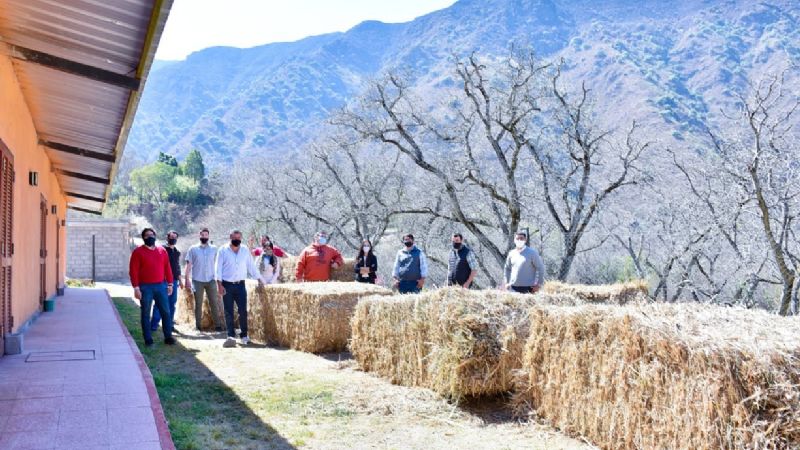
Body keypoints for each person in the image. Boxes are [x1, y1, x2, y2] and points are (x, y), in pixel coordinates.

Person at [215, 230, 265, 347]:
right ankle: (230, 335)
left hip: (241, 284)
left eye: (239, 238)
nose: (237, 240)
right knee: (228, 311)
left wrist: (259, 278)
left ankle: (244, 335)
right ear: (230, 237)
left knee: (243, 310)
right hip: (227, 284)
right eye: (235, 237)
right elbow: (218, 268)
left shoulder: (244, 250)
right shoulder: (222, 250)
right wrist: (219, 284)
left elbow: (251, 266)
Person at [129, 228, 176, 347]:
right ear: (143, 238)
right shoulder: (138, 252)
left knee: (166, 312)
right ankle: (148, 339)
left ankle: (168, 337)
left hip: (161, 286)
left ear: (155, 236)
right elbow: (133, 271)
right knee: (145, 313)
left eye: (152, 235)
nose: (150, 237)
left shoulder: (162, 251)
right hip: (145, 287)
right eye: (147, 235)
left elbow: (167, 268)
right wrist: (136, 288)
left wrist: (170, 284)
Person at [184, 228, 223, 331]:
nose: (204, 237)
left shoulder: (214, 249)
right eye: (203, 235)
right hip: (197, 280)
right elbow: (189, 264)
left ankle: (218, 326)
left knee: (214, 302)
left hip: (211, 280)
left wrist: (219, 278)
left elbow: (218, 264)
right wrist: (187, 278)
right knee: (198, 303)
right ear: (199, 235)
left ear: (208, 236)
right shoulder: (193, 249)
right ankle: (198, 326)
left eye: (206, 235)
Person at [151, 230, 181, 332]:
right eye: (171, 237)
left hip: (174, 280)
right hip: (163, 280)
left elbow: (177, 267)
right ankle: (154, 324)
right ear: (167, 238)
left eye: (175, 237)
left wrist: (180, 279)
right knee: (160, 302)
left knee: (172, 303)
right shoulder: (161, 249)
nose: (173, 239)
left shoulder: (177, 252)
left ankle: (169, 324)